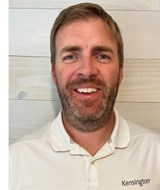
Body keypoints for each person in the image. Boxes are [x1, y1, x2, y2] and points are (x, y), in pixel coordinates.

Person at [10, 3, 160, 190]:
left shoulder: (156, 155)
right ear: (54, 72)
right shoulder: (13, 163)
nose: (87, 70)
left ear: (121, 71)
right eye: (71, 56)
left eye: (102, 56)